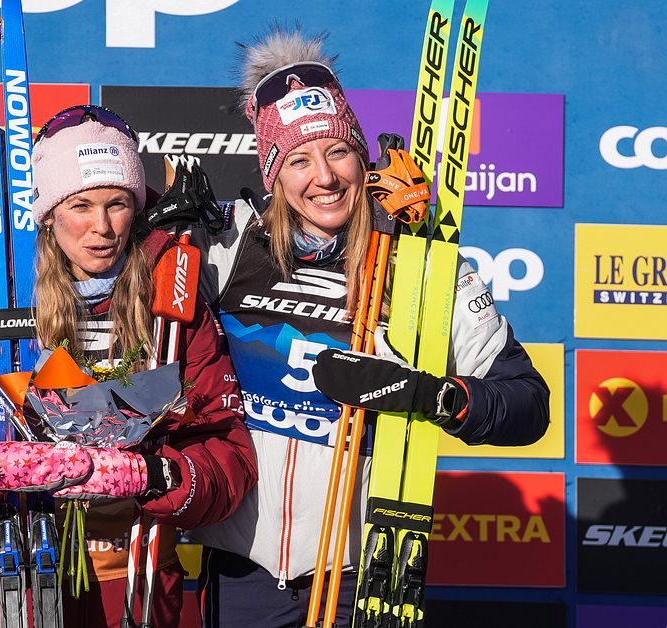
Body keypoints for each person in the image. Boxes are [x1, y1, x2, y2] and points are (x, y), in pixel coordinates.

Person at [173, 30, 552, 627]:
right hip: (240, 570)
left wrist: (430, 396)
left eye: (338, 152)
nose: (323, 176)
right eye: (299, 159)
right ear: (273, 174)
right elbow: (90, 237)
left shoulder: (420, 266)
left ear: (362, 157)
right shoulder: (225, 246)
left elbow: (527, 403)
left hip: (361, 578)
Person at [0, 107, 257, 627]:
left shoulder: (172, 303)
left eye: (117, 204)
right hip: (12, 579)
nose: (101, 228)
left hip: (135, 581)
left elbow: (228, 457)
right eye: (80, 205)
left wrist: (154, 473)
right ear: (48, 212)